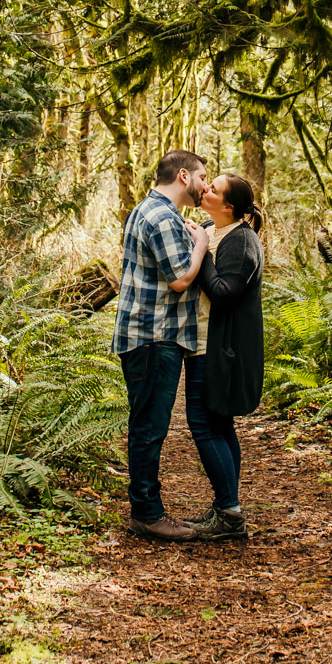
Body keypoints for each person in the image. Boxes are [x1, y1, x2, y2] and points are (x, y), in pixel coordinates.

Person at [113, 149, 210, 541]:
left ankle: (147, 509)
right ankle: (147, 514)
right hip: (154, 337)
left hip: (146, 335)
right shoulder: (163, 217)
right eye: (203, 176)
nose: (206, 185)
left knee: (146, 424)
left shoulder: (147, 210)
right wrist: (201, 242)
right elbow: (180, 279)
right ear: (184, 176)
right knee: (149, 427)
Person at [184, 173, 265, 540]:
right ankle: (225, 506)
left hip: (218, 349)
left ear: (229, 206)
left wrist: (201, 251)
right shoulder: (212, 229)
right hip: (201, 342)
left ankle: (230, 514)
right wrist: (199, 238)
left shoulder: (242, 241)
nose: (205, 190)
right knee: (219, 425)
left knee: (204, 426)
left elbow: (222, 291)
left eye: (213, 190)